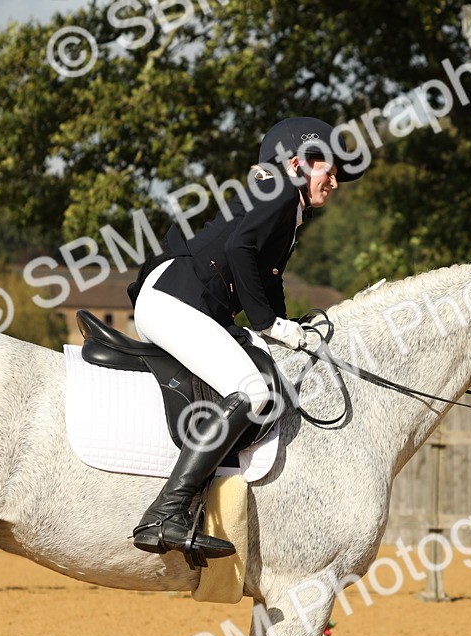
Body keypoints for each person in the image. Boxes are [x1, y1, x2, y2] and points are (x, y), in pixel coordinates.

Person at [126, 117, 366, 561]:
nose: (334, 181)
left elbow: (265, 276)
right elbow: (240, 251)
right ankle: (166, 512)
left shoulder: (283, 204)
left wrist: (287, 325)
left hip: (182, 301)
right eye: (327, 169)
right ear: (296, 163)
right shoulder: (280, 190)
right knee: (253, 391)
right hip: (176, 299)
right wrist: (270, 324)